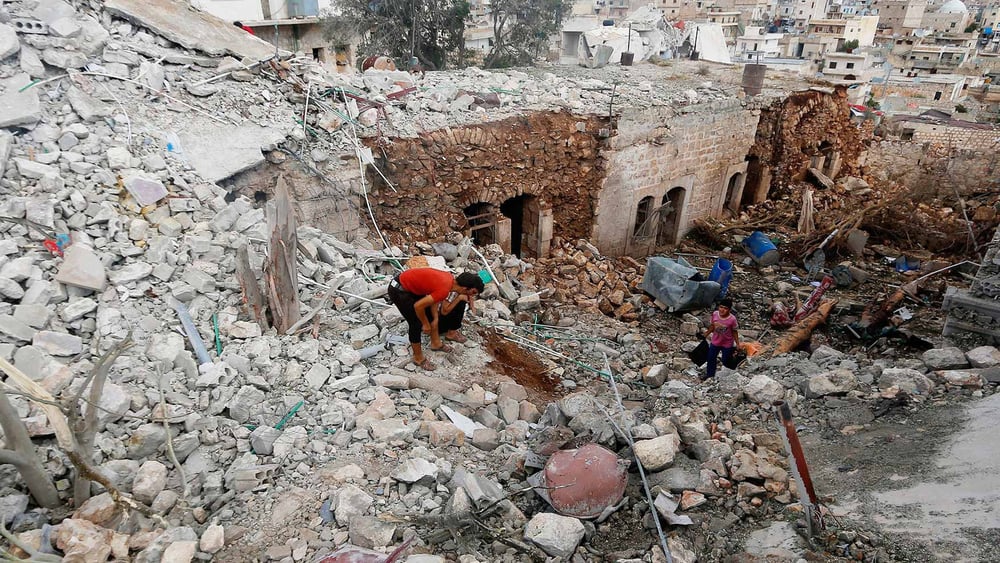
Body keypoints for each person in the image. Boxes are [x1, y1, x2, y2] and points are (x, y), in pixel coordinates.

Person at [387, 268, 484, 371]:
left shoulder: (449, 280)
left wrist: (435, 318)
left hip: (412, 288)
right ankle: (418, 358)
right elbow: (418, 306)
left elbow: (435, 298)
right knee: (416, 323)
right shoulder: (445, 289)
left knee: (431, 317)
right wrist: (425, 324)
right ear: (465, 288)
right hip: (398, 289)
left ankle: (436, 343)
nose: (471, 296)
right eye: (472, 292)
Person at [702, 298, 739, 381]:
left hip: (727, 343)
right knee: (711, 358)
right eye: (721, 307)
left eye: (725, 308)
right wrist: (706, 334)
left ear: (729, 310)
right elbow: (713, 326)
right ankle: (710, 375)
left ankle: (731, 372)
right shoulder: (715, 314)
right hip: (715, 341)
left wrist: (737, 344)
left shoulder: (732, 319)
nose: (722, 310)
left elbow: (734, 331)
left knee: (725, 360)